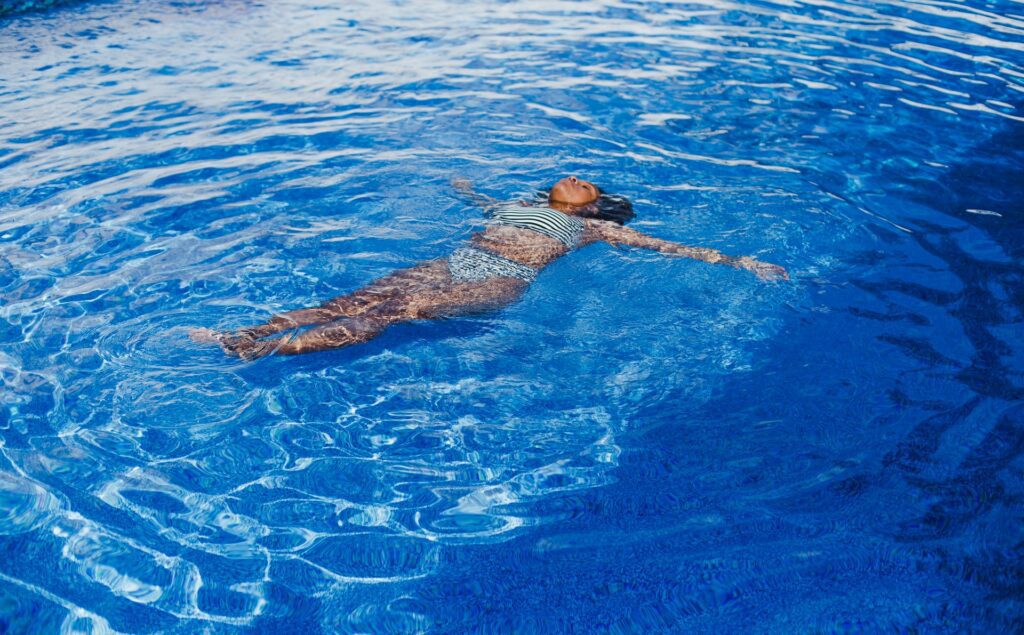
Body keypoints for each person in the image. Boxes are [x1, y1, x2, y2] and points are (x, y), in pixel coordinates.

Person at [190, 176, 788, 358]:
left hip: (500, 279)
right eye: (574, 175)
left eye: (589, 183)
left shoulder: (599, 227)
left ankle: (263, 352)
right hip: (454, 261)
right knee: (343, 303)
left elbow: (671, 248)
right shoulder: (517, 206)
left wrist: (740, 261)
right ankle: (242, 335)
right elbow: (480, 205)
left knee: (396, 312)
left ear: (598, 206)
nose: (578, 178)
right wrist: (464, 188)